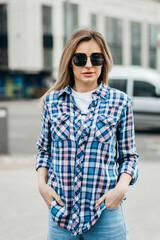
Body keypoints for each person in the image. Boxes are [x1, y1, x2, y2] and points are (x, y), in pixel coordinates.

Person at [35, 28, 139, 240]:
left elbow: (129, 156)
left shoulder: (120, 102)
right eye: (80, 58)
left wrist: (120, 190)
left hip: (105, 213)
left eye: (96, 58)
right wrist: (42, 186)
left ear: (104, 61)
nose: (89, 65)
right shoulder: (52, 102)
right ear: (70, 62)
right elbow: (44, 150)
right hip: (61, 214)